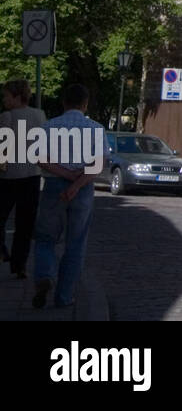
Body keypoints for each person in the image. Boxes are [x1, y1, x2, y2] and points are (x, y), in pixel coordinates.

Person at [32, 84, 104, 309]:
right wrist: (77, 183)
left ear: (64, 103)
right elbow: (97, 164)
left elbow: (41, 159)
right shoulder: (95, 128)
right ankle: (63, 297)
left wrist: (64, 174)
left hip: (54, 186)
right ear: (85, 104)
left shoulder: (48, 127)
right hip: (82, 190)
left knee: (45, 238)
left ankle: (45, 275)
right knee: (76, 244)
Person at [0, 79, 46, 278]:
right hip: (32, 176)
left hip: (9, 177)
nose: (4, 99)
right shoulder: (40, 115)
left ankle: (2, 251)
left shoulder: (6, 117)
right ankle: (20, 265)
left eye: (6, 96)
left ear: (17, 97)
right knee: (25, 224)